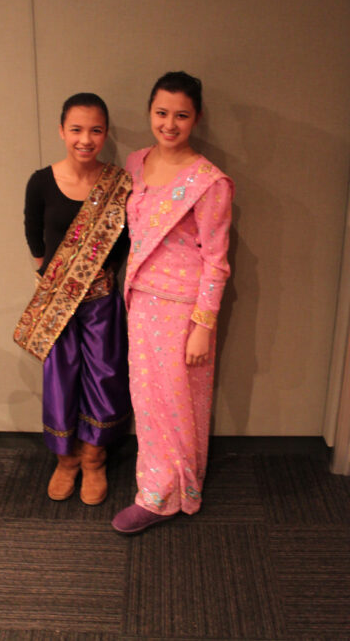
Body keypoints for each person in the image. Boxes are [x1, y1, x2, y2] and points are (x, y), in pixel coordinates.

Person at [111, 72, 234, 534]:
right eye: (161, 113)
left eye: (181, 115)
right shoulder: (136, 162)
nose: (169, 123)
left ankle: (165, 494)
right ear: (149, 112)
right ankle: (163, 483)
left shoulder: (209, 182)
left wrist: (204, 324)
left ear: (195, 119)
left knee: (178, 402)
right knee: (149, 401)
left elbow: (217, 261)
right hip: (139, 302)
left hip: (184, 309)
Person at [14, 92, 132, 506]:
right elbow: (34, 233)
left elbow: (125, 241)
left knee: (103, 377)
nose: (86, 139)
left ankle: (94, 460)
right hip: (58, 303)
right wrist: (52, 279)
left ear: (105, 134)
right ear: (62, 131)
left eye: (95, 130)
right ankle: (66, 461)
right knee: (61, 378)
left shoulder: (119, 184)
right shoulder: (41, 181)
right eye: (77, 129)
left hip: (102, 301)